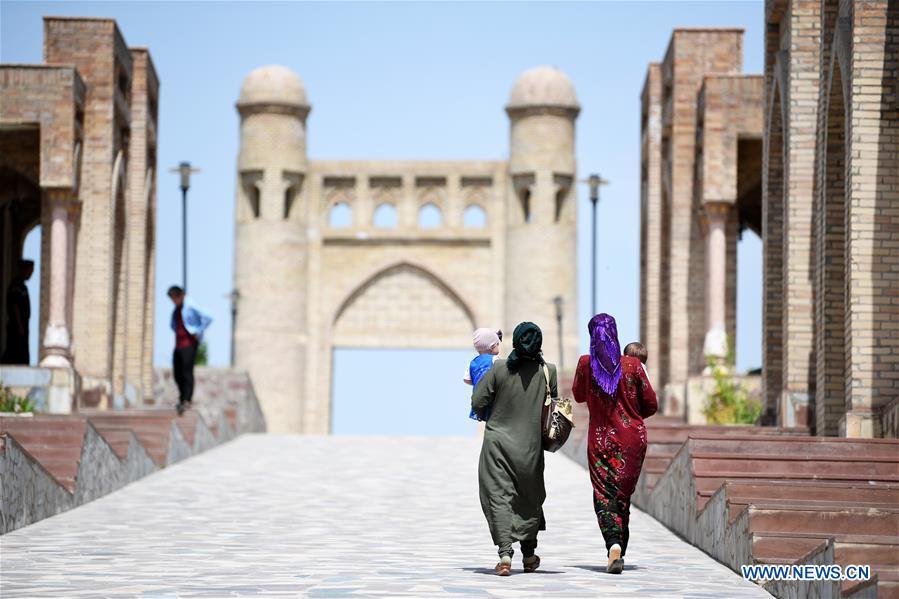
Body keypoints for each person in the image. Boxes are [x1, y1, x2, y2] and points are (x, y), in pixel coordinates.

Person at [572, 314, 657, 574]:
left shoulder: (586, 364)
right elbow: (651, 404)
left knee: (604, 495)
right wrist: (630, 416)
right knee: (622, 496)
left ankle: (613, 544)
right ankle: (619, 547)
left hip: (600, 440)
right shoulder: (633, 366)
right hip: (632, 439)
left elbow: (577, 395)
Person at [471, 322, 556, 576]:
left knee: (498, 496)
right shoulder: (547, 372)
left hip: (497, 445)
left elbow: (478, 402)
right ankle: (529, 556)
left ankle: (505, 554)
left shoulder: (498, 369)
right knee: (529, 498)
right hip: (530, 448)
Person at [167, 286, 212, 415]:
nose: (173, 301)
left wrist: (197, 331)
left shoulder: (190, 304)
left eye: (173, 298)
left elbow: (208, 316)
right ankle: (182, 398)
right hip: (179, 344)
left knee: (187, 371)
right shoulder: (177, 308)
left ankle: (186, 399)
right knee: (177, 372)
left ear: (180, 296)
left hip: (189, 343)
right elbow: (174, 324)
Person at [463, 327, 502, 420]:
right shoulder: (495, 360)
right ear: (492, 347)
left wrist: (477, 382)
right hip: (494, 399)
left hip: (480, 400)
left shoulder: (472, 363)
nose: (498, 346)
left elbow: (466, 379)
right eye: (497, 344)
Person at [2, 260, 34, 365]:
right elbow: (15, 305)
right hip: (16, 326)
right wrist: (19, 325)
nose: (31, 274)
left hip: (22, 325)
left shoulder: (22, 286)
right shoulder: (16, 285)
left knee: (21, 351)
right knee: (15, 349)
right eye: (30, 271)